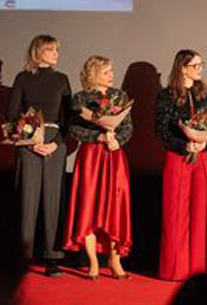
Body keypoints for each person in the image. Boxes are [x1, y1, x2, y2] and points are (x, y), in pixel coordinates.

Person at [154, 49, 207, 281]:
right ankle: (176, 269)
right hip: (178, 157)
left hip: (203, 157)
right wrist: (185, 145)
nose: (200, 69)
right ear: (183, 68)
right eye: (196, 65)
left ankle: (203, 270)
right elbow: (161, 130)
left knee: (204, 212)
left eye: (202, 64)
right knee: (176, 212)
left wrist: (204, 144)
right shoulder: (166, 96)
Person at [7, 35, 73, 275]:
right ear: (38, 52)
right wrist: (30, 141)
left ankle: (52, 257)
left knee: (53, 200)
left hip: (55, 142)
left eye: (57, 49)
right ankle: (23, 256)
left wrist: (55, 143)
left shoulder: (61, 79)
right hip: (28, 143)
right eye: (50, 49)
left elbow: (68, 118)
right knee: (28, 199)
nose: (56, 53)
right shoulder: (23, 78)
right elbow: (12, 114)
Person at [63, 55, 133, 280]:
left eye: (111, 71)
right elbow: (74, 129)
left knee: (115, 207)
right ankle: (93, 262)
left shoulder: (119, 96)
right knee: (88, 206)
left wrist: (117, 140)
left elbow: (128, 127)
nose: (111, 75)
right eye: (106, 72)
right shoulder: (81, 98)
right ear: (93, 74)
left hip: (114, 156)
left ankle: (115, 261)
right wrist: (98, 136)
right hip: (91, 158)